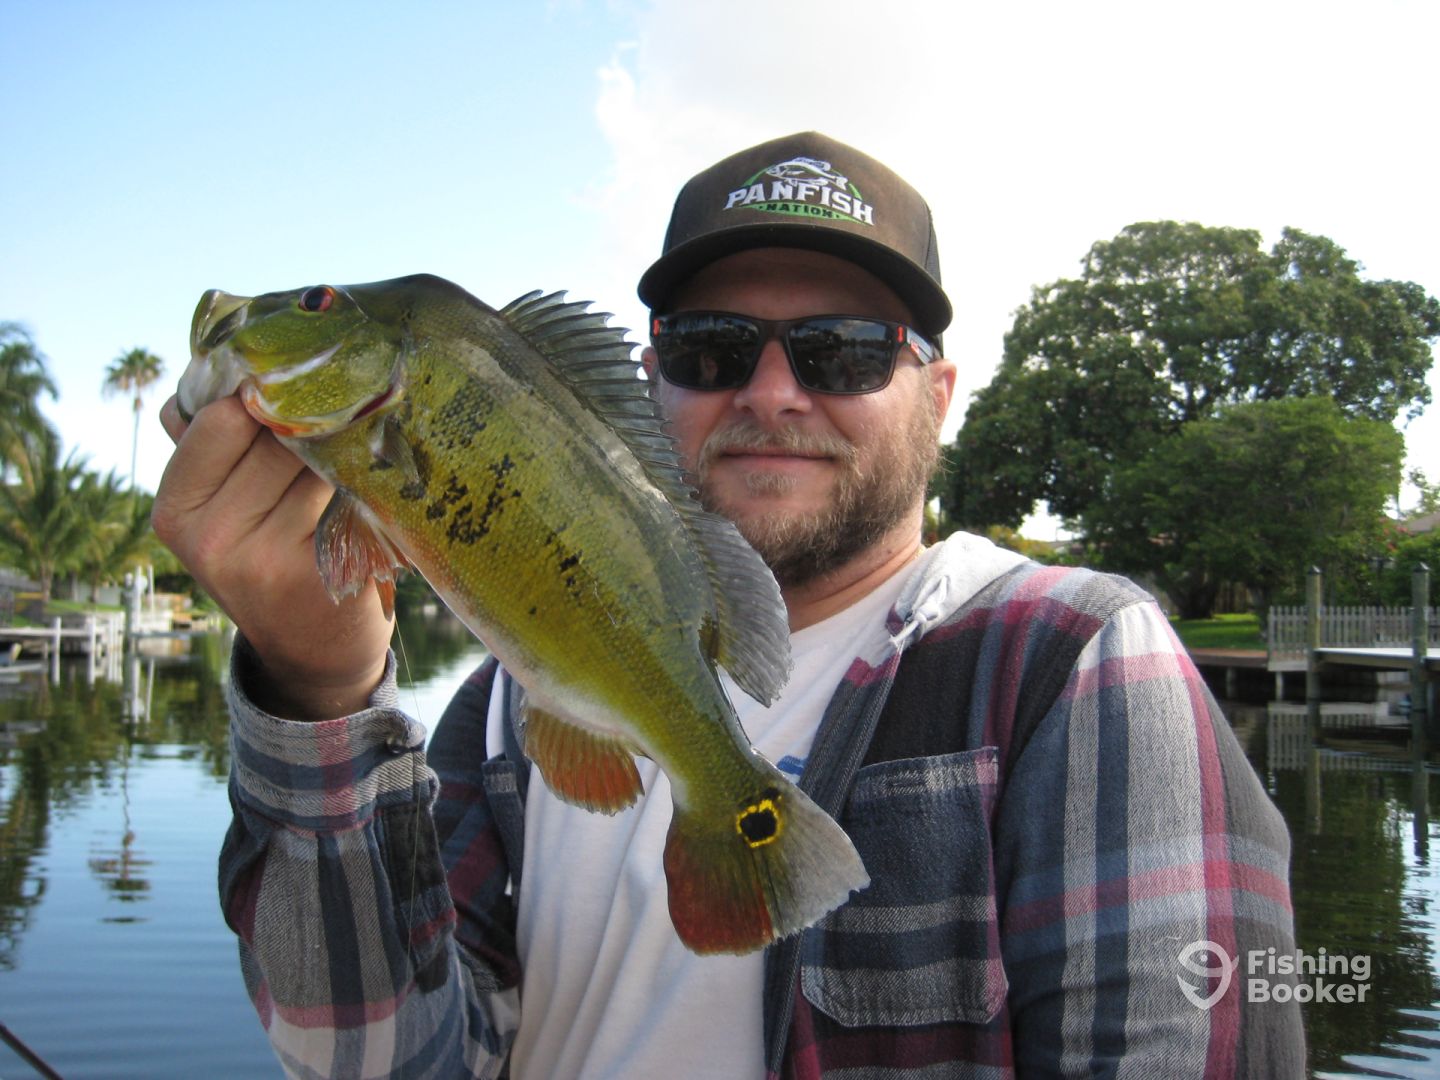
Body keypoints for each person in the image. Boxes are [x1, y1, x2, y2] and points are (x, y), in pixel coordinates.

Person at [153, 131, 1305, 1078]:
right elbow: (374, 1062)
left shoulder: (1073, 660)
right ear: (647, 381)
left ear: (938, 394)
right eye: (712, 349)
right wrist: (319, 692)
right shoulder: (510, 702)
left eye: (845, 351)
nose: (773, 391)